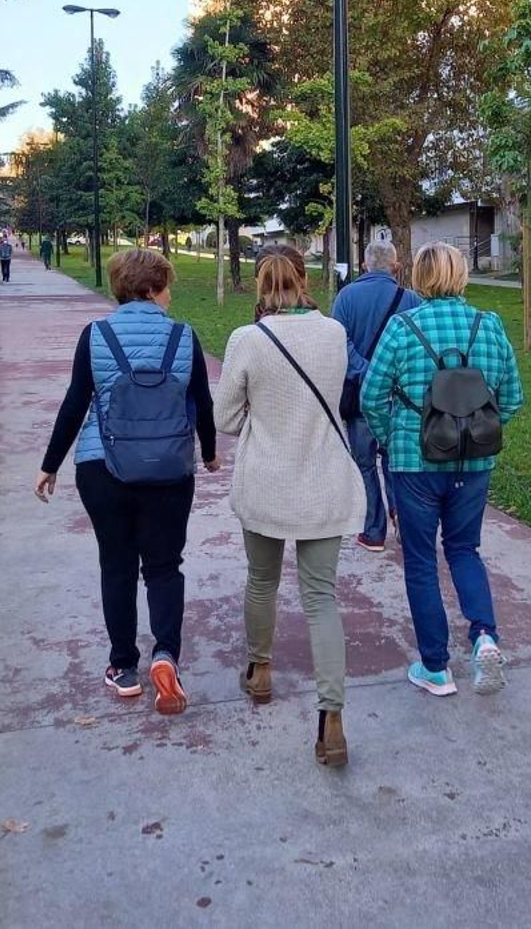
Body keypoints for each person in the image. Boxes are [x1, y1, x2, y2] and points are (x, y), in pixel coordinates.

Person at [35, 249, 220, 714]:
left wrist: (50, 463)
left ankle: (124, 667)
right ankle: (166, 655)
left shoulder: (95, 335)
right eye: (167, 285)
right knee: (163, 565)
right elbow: (201, 401)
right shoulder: (183, 336)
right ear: (153, 289)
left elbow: (76, 402)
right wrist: (211, 452)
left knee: (116, 565)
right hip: (169, 469)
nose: (170, 294)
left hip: (103, 467)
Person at [216, 254, 364, 766]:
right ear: (304, 282)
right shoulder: (334, 334)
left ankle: (259, 671)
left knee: (262, 581)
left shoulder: (247, 339)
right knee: (320, 598)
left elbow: (226, 419)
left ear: (259, 286)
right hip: (324, 481)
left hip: (267, 482)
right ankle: (332, 718)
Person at [361, 241, 524, 698]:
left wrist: (392, 438)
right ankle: (484, 636)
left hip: (415, 462)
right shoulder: (489, 327)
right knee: (465, 549)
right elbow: (511, 397)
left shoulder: (401, 327)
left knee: (419, 560)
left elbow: (371, 396)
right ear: (461, 275)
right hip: (473, 464)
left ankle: (435, 666)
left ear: (418, 277)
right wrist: (479, 432)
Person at [332, 239, 419, 552]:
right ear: (395, 266)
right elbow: (415, 350)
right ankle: (404, 520)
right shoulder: (411, 300)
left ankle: (374, 530)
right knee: (396, 461)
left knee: (365, 464)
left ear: (365, 264)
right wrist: (388, 373)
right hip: (400, 399)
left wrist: (366, 370)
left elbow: (339, 342)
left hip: (359, 398)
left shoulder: (346, 297)